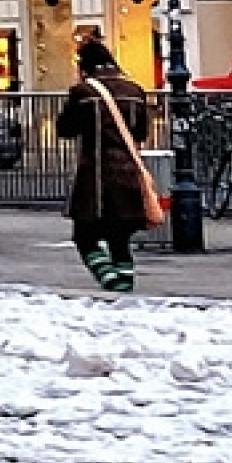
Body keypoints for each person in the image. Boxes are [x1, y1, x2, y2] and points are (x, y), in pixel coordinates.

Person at [59, 50, 165, 292]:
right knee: (120, 237)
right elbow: (140, 133)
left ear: (84, 67)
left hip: (95, 175)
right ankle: (124, 283)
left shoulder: (83, 92)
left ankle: (111, 280)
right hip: (129, 172)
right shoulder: (135, 91)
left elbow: (65, 128)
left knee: (85, 236)